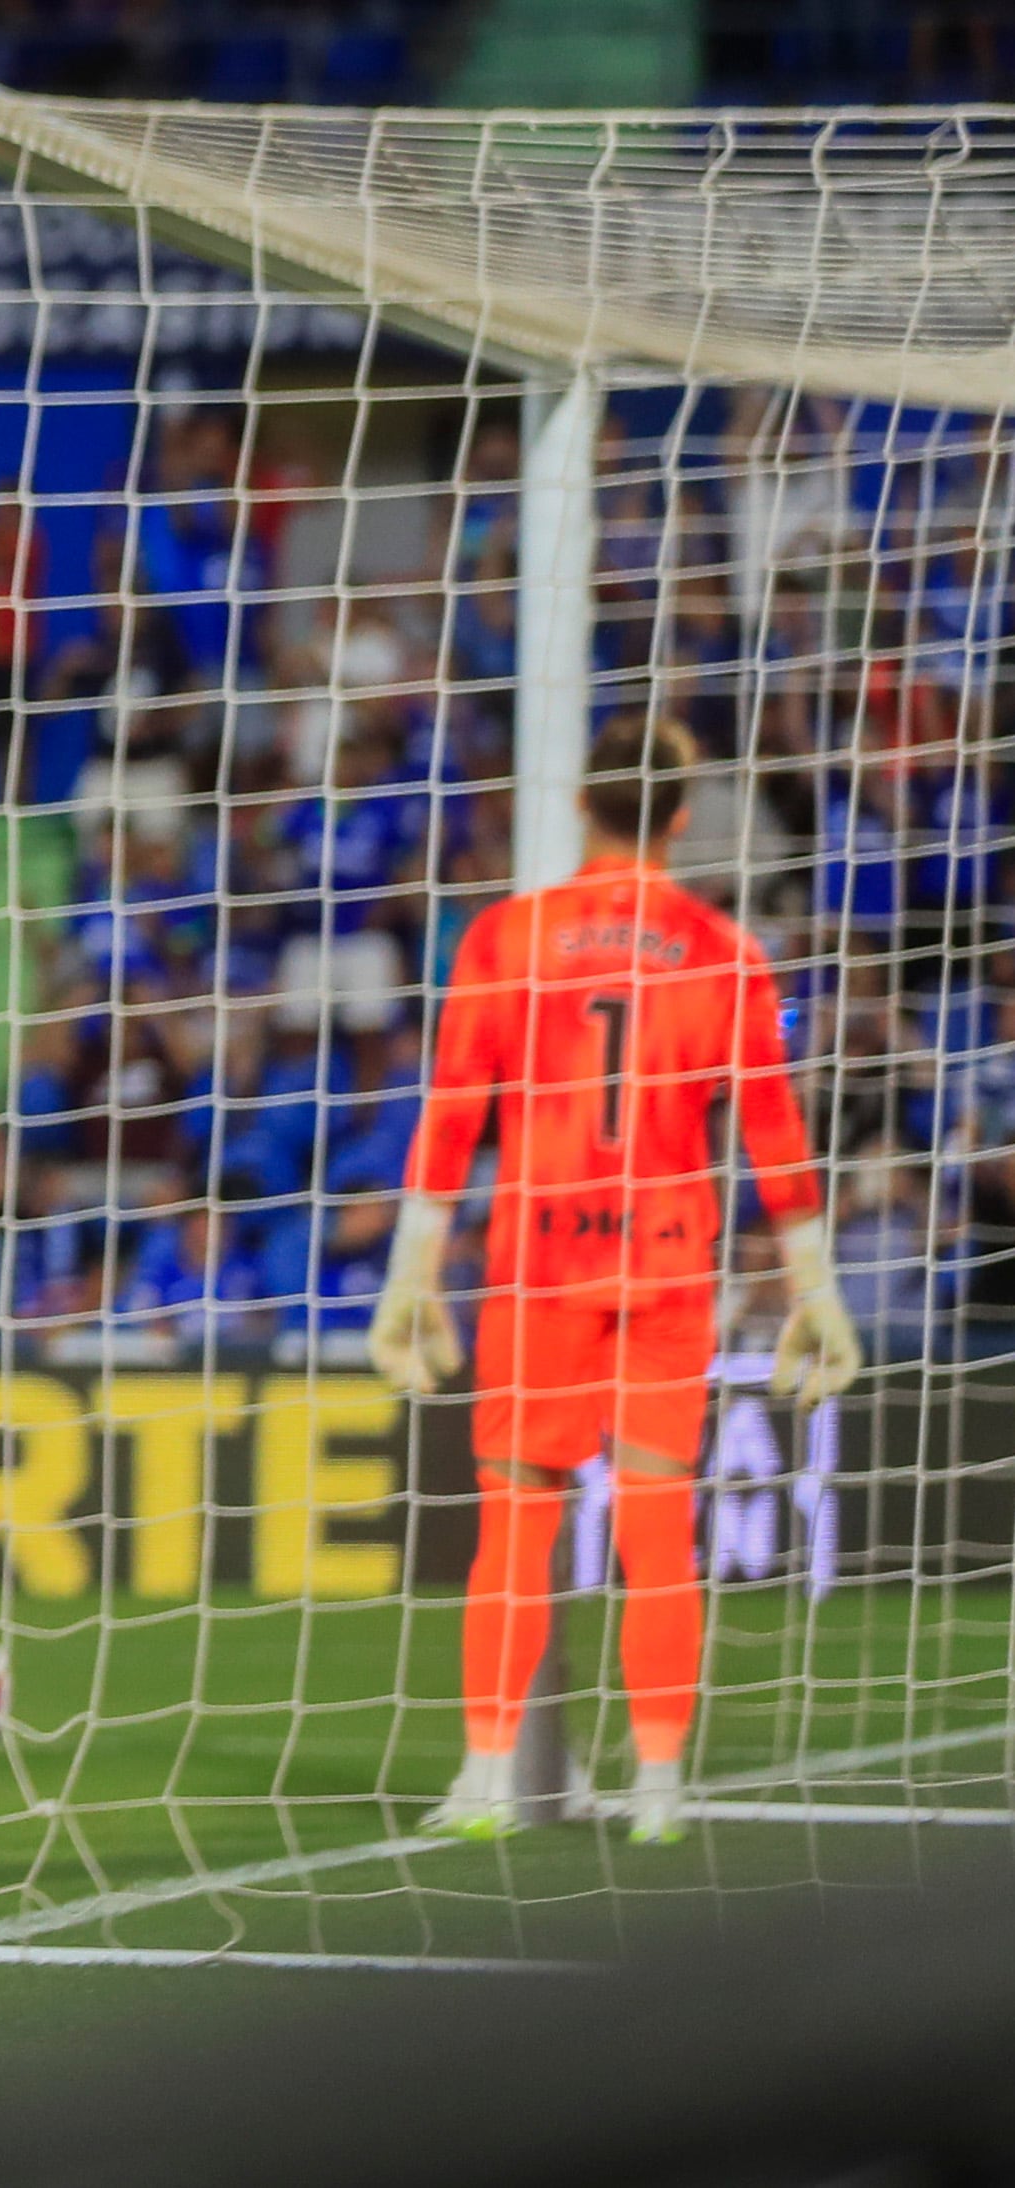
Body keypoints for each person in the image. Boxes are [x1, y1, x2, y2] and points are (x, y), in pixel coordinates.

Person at [369, 716, 861, 1848]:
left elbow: (453, 1112)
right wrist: (816, 1289)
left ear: (580, 804)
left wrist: (412, 1270)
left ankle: (489, 1773)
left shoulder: (506, 934)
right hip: (668, 1258)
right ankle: (657, 1788)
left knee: (516, 1525)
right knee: (654, 1528)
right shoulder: (728, 950)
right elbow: (775, 1132)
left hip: (539, 1260)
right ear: (682, 818)